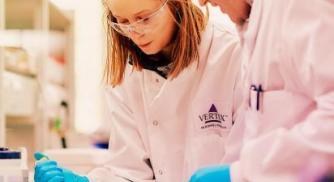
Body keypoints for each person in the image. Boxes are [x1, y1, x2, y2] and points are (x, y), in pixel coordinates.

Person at [33, 0, 244, 181]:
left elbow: (260, 158)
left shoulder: (232, 55)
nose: (134, 32)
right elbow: (129, 171)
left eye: (144, 18)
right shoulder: (126, 77)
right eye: (122, 22)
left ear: (175, 4)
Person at [190, 0, 334, 181]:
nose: (202, 2)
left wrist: (240, 172)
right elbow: (255, 121)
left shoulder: (297, 5)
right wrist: (237, 170)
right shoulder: (255, 21)